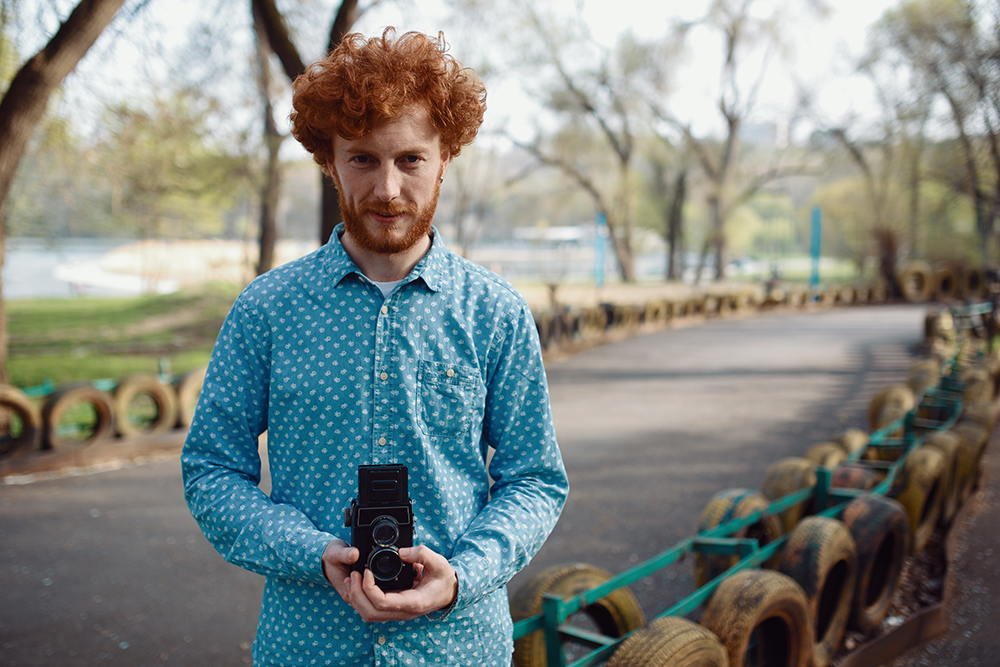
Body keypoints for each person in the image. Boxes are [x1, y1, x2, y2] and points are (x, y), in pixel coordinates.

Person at [181, 28, 569, 667]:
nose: (388, 188)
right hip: (307, 645)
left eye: (410, 159)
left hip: (460, 647)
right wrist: (308, 552)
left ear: (446, 157)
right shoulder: (266, 311)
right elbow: (212, 470)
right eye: (363, 158)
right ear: (328, 160)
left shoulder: (496, 313)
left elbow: (533, 478)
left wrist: (464, 576)